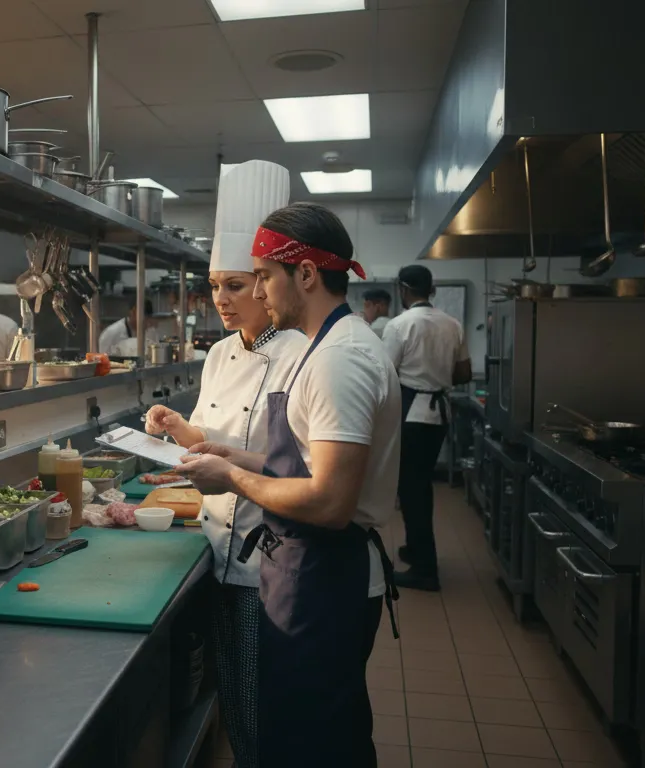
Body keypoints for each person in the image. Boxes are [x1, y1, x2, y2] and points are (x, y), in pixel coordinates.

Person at [174, 202, 401, 768]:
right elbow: (306, 462)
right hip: (313, 571)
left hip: (329, 575)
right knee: (301, 735)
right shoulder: (326, 347)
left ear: (304, 273)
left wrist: (230, 475)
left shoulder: (339, 359)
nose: (261, 291)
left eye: (265, 276)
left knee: (314, 744)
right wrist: (238, 454)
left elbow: (327, 500)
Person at [143, 160, 303, 768]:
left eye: (237, 285)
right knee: (233, 693)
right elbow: (224, 436)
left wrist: (231, 469)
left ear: (268, 284)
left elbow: (301, 467)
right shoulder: (218, 355)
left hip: (265, 557)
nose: (221, 300)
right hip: (213, 543)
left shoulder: (298, 355)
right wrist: (181, 430)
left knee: (259, 705)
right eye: (214, 285)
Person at [381, 264, 472, 592]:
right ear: (430, 290)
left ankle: (424, 569)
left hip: (411, 413)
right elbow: (463, 374)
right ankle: (415, 549)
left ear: (403, 289)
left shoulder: (399, 325)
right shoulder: (452, 324)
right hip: (439, 413)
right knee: (419, 485)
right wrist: (437, 373)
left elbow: (386, 375)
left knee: (412, 489)